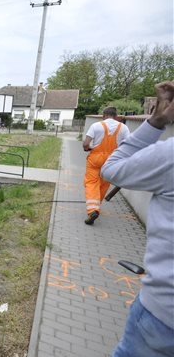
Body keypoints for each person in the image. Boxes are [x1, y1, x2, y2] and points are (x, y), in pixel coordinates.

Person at [102, 81, 174, 357]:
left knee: (92, 188)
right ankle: (93, 209)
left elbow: (110, 164)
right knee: (95, 193)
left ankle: (91, 210)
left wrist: (157, 120)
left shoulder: (168, 155)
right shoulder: (120, 127)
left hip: (163, 313)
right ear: (118, 117)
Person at [82, 106, 130, 225]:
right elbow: (129, 144)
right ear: (116, 116)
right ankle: (96, 206)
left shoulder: (96, 126)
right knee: (104, 185)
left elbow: (86, 143)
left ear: (104, 115)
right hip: (112, 160)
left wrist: (87, 148)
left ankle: (93, 210)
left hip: (95, 159)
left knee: (91, 183)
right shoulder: (123, 128)